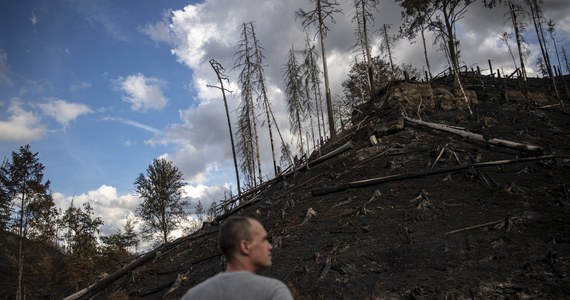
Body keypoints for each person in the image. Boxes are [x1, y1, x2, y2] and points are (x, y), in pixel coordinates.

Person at [182, 216, 293, 300]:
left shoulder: (192, 295)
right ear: (245, 246)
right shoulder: (273, 292)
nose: (270, 246)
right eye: (263, 240)